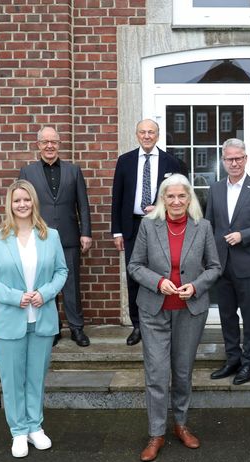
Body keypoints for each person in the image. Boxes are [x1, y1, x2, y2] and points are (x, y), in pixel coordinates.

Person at [128, 174, 221, 462]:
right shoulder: (148, 225)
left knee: (182, 372)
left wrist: (195, 286)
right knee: (156, 373)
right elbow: (135, 266)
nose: (177, 201)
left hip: (189, 311)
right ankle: (156, 433)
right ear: (163, 199)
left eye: (182, 196)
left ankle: (180, 425)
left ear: (190, 198)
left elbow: (215, 267)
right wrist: (157, 282)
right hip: (154, 310)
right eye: (171, 196)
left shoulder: (202, 227)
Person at [0, 180, 68, 458]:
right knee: (13, 379)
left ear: (34, 202)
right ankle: (18, 431)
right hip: (9, 321)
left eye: (26, 200)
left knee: (35, 377)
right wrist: (14, 296)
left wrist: (45, 293)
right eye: (17, 200)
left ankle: (35, 427)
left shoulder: (50, 235)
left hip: (41, 319)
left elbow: (61, 272)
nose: (22, 205)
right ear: (10, 203)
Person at [112, 119, 186, 346]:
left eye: (151, 132)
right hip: (132, 227)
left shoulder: (172, 162)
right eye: (142, 132)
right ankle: (138, 325)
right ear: (136, 135)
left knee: (161, 273)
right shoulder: (124, 161)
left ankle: (162, 321)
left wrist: (161, 208)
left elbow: (182, 195)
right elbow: (117, 198)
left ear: (158, 135)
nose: (146, 136)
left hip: (161, 225)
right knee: (135, 275)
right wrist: (117, 232)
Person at [206, 138, 250, 385]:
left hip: (248, 265)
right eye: (229, 159)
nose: (234, 163)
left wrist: (244, 235)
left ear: (245, 159)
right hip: (221, 264)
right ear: (223, 161)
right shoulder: (214, 189)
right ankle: (232, 359)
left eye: (238, 158)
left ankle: (248, 363)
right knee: (226, 315)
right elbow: (209, 225)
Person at [19, 126, 92, 347]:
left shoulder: (73, 170)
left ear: (59, 144)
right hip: (39, 237)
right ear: (38, 145)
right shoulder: (27, 172)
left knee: (71, 285)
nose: (49, 146)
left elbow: (83, 205)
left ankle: (77, 329)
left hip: (69, 237)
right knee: (45, 286)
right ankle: (52, 329)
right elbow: (22, 204)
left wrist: (86, 233)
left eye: (54, 142)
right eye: (45, 142)